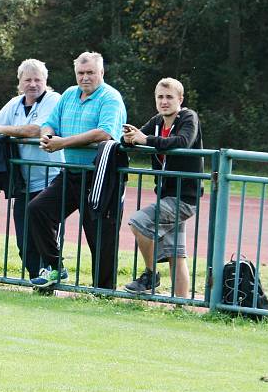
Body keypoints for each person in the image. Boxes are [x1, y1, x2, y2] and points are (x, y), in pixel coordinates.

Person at [27, 51, 127, 289]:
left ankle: (103, 292)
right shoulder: (70, 94)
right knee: (38, 209)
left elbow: (104, 133)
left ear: (101, 73)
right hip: (71, 172)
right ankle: (55, 268)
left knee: (99, 234)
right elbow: (49, 123)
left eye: (90, 72)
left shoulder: (110, 97)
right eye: (81, 73)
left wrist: (63, 142)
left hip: (102, 175)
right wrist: (48, 136)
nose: (85, 78)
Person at [0, 58, 64, 280]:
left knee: (46, 235)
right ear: (20, 82)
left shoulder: (54, 99)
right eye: (28, 80)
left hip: (50, 178)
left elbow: (36, 130)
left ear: (46, 81)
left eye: (38, 79)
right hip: (23, 182)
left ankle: (50, 276)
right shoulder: (15, 103)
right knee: (24, 240)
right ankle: (36, 279)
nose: (33, 84)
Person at [122, 77, 203, 297]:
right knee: (176, 255)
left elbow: (182, 142)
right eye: (160, 97)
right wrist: (128, 137)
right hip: (166, 196)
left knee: (138, 222)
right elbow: (139, 136)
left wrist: (145, 139)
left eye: (169, 97)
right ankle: (181, 307)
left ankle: (150, 274)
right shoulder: (157, 121)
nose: (164, 101)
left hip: (184, 197)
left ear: (180, 99)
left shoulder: (188, 117)